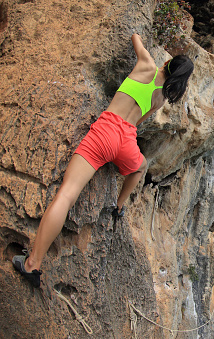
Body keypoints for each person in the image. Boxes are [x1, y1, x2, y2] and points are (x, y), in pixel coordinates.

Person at [12, 34, 194, 288]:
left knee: (66, 196)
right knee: (141, 166)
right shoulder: (161, 99)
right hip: (125, 141)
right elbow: (137, 124)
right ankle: (119, 205)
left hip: (104, 132)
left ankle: (33, 264)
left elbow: (135, 37)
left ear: (167, 65)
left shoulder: (147, 65)